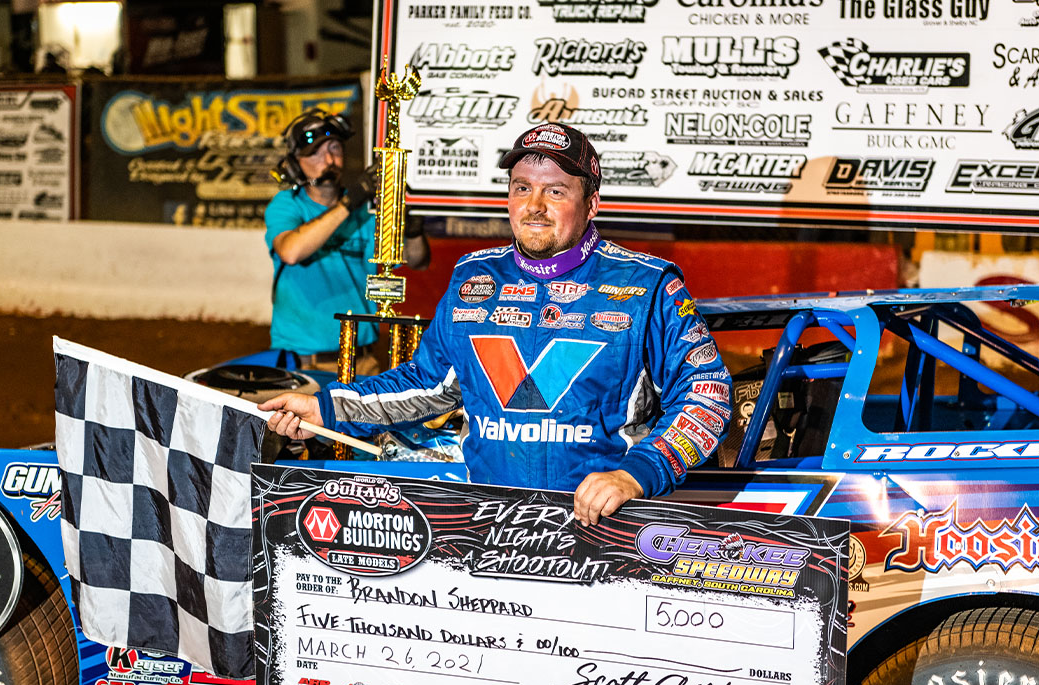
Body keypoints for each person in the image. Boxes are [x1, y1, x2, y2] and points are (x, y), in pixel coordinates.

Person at [260, 122, 732, 525]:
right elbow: (427, 383)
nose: (535, 204)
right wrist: (326, 409)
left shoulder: (647, 285)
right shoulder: (474, 277)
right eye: (522, 187)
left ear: (590, 205)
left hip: (606, 530)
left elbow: (707, 396)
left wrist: (635, 474)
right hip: (486, 525)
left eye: (556, 191)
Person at [265, 108, 429, 372]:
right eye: (316, 152)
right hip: (304, 363)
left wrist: (413, 229)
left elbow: (418, 261)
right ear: (295, 163)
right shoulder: (287, 205)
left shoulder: (367, 211)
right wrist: (350, 201)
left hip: (363, 360)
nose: (328, 158)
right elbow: (291, 251)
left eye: (335, 148)